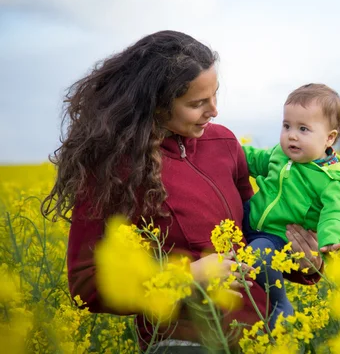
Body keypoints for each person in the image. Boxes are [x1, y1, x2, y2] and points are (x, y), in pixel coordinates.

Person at [41, 30, 324, 351]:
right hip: (186, 343)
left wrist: (303, 261)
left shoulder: (225, 144)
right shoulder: (110, 167)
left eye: (215, 95)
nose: (214, 110)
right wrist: (186, 278)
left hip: (264, 335)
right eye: (197, 103)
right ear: (157, 104)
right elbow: (85, 285)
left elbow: (254, 234)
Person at [241, 83, 340, 328]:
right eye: (286, 126)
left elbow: (336, 212)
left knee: (259, 255)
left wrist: (330, 239)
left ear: (329, 137)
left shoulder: (332, 179)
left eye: (303, 129)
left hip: (278, 237)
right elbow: (252, 159)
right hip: (251, 219)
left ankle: (278, 304)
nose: (292, 135)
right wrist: (228, 149)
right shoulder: (279, 154)